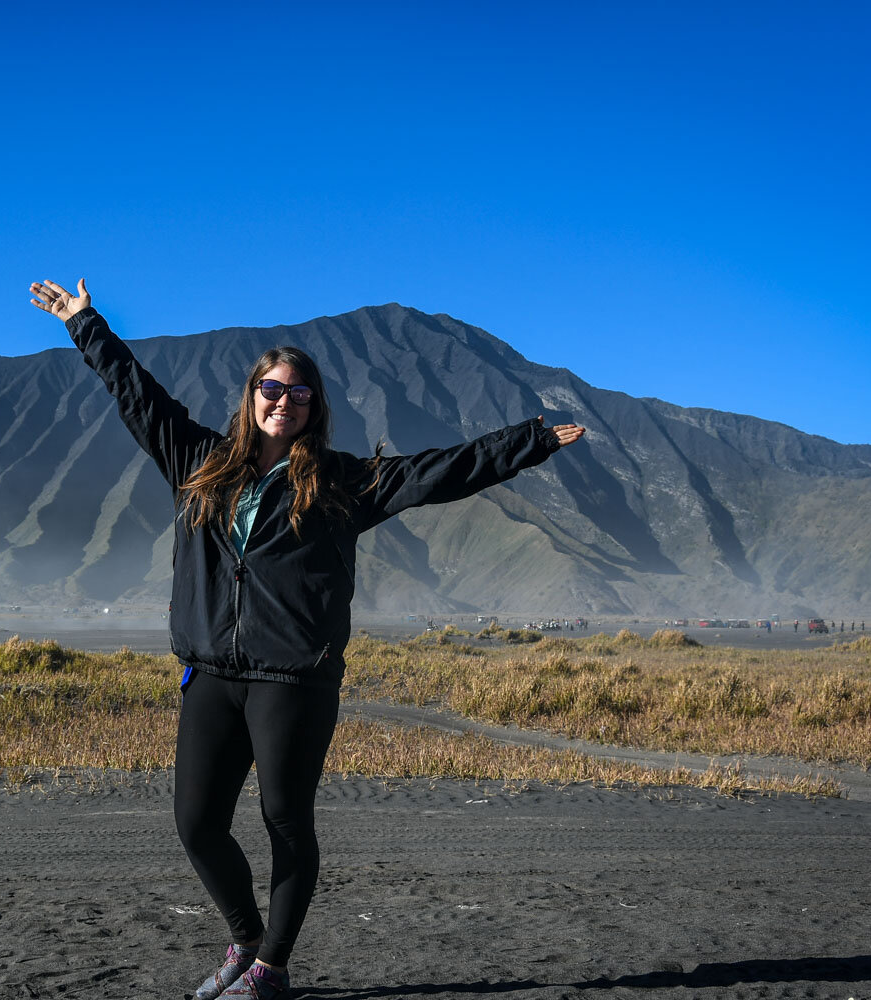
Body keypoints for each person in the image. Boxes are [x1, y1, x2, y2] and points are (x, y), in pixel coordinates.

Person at [29, 278, 586, 999]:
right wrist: (85, 323)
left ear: (314, 406)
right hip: (212, 671)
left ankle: (271, 968)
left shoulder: (342, 481)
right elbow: (137, 394)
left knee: (285, 820)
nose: (282, 401)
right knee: (197, 823)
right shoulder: (197, 461)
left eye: (298, 393)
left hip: (294, 677)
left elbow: (437, 473)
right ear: (251, 393)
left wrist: (530, 441)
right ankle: (245, 939)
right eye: (271, 387)